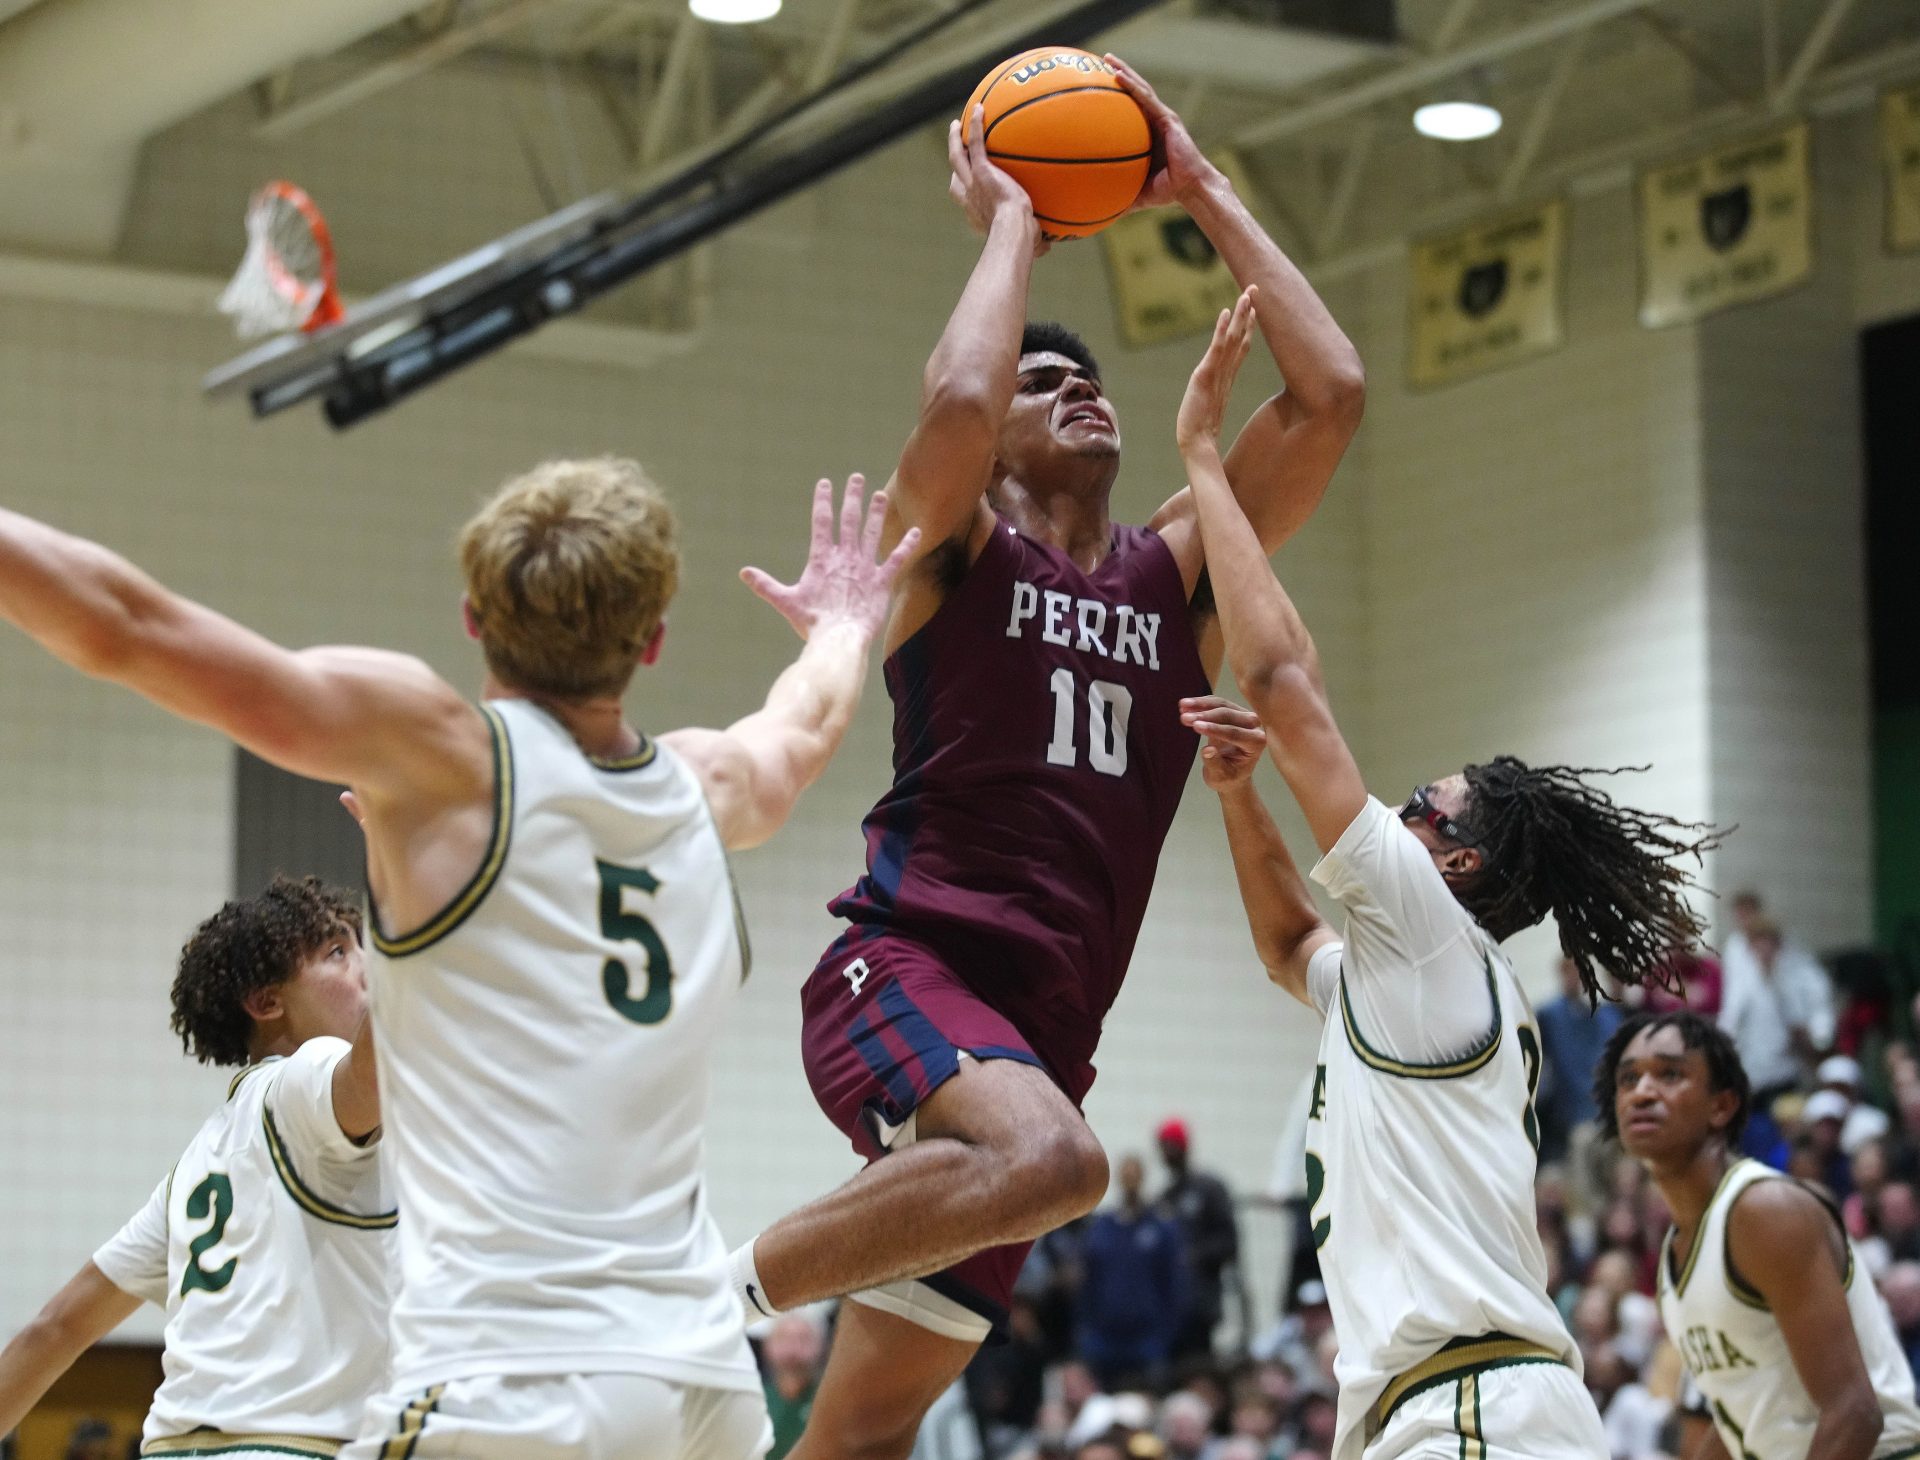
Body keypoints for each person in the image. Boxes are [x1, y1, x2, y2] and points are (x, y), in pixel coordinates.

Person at [0, 462, 915, 1460]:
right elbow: (806, 721)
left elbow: (126, 625)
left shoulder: (436, 756)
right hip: (697, 1374)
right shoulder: (711, 785)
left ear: (475, 618)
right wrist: (843, 623)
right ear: (651, 642)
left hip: (518, 1376)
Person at [726, 53, 1365, 1460]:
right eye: (1045, 377)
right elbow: (954, 415)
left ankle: (736, 1303)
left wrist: (1196, 183)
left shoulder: (1173, 573)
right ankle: (704, 1299)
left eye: (1090, 376)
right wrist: (1013, 220)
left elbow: (1329, 397)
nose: (1081, 388)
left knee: (863, 1441)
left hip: (1036, 1048)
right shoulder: (953, 550)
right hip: (902, 971)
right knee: (1062, 1165)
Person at [1173, 292, 1726, 1458]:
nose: (1396, 808)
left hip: (1470, 1402)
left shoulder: (1428, 931)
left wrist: (1209, 465)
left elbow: (1280, 678)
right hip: (1443, 1407)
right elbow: (1286, 947)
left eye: (1422, 805)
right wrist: (1237, 798)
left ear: (1456, 860)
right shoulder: (1409, 977)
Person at [0, 878, 390, 1460]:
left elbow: (54, 1329)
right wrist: (418, 906)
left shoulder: (194, 1170)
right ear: (266, 1002)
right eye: (338, 952)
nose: (365, 967)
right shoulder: (306, 1083)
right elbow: (376, 1071)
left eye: (364, 947)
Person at [1602, 1009, 1920, 1460]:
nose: (1643, 1091)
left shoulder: (1764, 1211)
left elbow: (1854, 1413)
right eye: (1629, 1079)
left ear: (1722, 1104)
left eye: (1669, 1074)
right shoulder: (1676, 1255)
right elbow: (1742, 1428)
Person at [1075, 1155, 1185, 1390]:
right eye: (1126, 1175)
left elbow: (1173, 1285)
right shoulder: (1101, 1228)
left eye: (1135, 1175)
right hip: (1104, 1339)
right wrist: (1087, 1331)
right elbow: (1088, 1284)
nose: (1130, 1180)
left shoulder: (1160, 1228)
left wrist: (1165, 1335)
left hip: (1146, 1340)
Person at [1152, 1119, 1241, 1361]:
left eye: (1171, 1145)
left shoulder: (1210, 1189)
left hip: (1201, 1302)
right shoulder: (1164, 1199)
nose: (1167, 1153)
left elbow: (1229, 1242)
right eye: (1163, 1147)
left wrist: (1194, 1256)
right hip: (1170, 1307)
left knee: (1200, 1363)